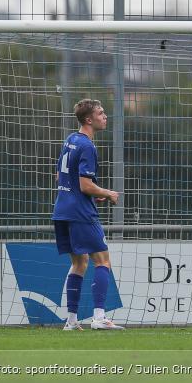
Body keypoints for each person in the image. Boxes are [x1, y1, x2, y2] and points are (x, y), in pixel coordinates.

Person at [53, 98, 123, 331]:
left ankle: (72, 321)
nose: (105, 117)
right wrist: (107, 193)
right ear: (89, 119)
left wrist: (93, 193)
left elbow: (61, 177)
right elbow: (84, 185)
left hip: (62, 210)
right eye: (101, 113)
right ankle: (99, 317)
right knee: (103, 261)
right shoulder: (87, 146)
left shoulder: (70, 140)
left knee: (79, 263)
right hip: (81, 213)